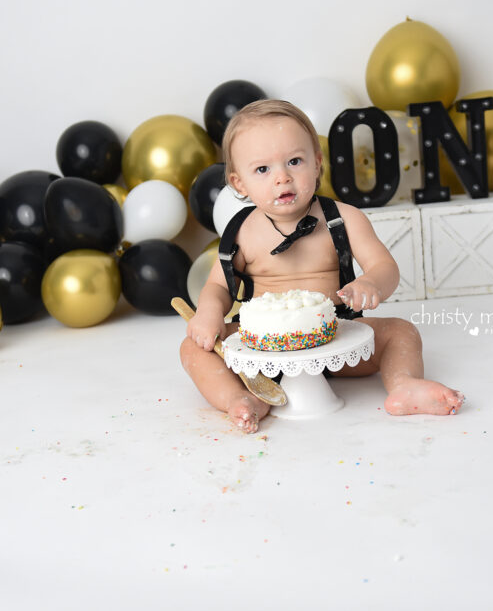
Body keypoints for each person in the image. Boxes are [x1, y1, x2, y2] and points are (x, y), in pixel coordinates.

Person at [180, 99, 464, 433]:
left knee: (400, 332)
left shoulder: (343, 219)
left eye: (294, 161)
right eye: (262, 170)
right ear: (238, 183)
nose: (282, 178)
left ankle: (404, 384)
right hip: (263, 351)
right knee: (193, 349)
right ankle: (242, 397)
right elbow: (217, 286)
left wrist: (372, 283)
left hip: (336, 340)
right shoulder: (242, 232)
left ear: (317, 163)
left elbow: (384, 266)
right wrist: (209, 311)